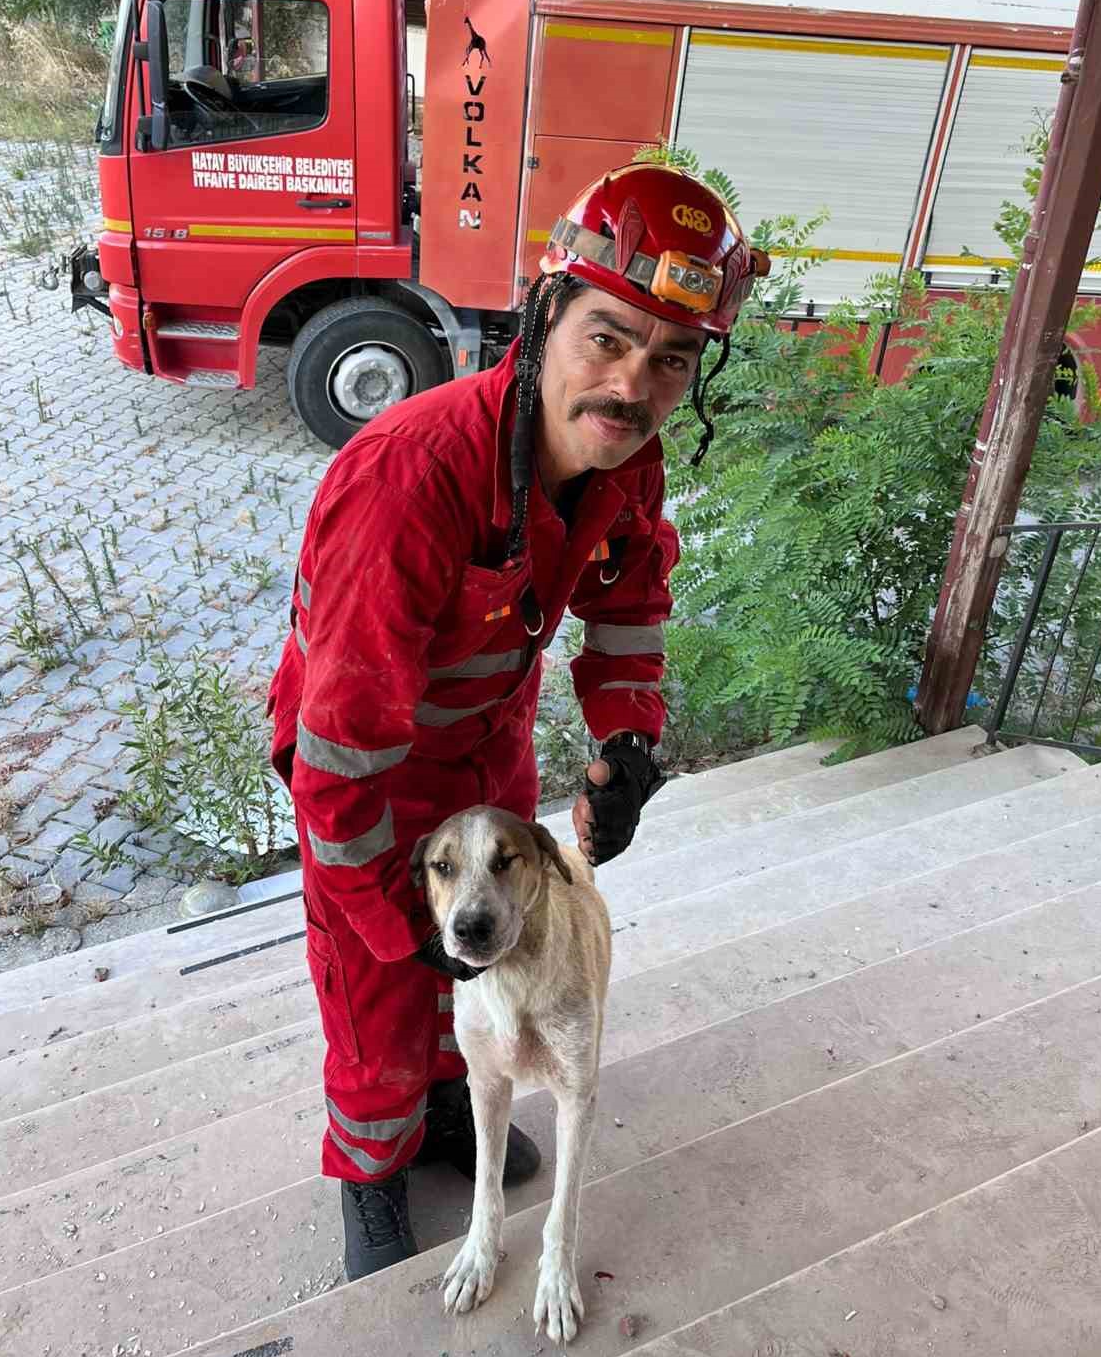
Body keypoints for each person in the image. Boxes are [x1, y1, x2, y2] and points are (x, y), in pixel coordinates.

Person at [267, 162, 767, 1280]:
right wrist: (397, 925)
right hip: (370, 775)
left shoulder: (620, 460)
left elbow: (629, 599)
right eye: (608, 337)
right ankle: (369, 1163)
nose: (632, 385)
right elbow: (339, 756)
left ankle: (456, 1101)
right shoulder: (409, 480)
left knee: (492, 950)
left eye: (670, 358)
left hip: (483, 746)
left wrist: (627, 739)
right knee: (386, 982)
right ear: (546, 316)